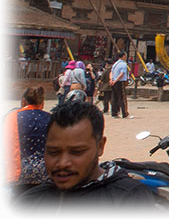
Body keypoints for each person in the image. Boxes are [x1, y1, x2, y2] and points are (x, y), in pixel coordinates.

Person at [16, 101, 157, 209]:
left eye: (77, 152)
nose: (63, 163)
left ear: (100, 146)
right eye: (53, 152)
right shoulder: (29, 201)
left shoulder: (130, 199)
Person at [6, 87, 51, 194]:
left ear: (23, 101)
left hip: (18, 173)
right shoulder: (50, 118)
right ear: (42, 102)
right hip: (45, 173)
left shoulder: (12, 117)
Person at [109, 52, 131, 119]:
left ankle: (114, 113)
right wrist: (115, 81)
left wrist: (111, 80)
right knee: (122, 98)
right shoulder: (123, 64)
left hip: (114, 82)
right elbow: (122, 74)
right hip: (120, 82)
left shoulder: (115, 64)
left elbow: (111, 72)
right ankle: (125, 113)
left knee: (114, 98)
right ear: (123, 56)